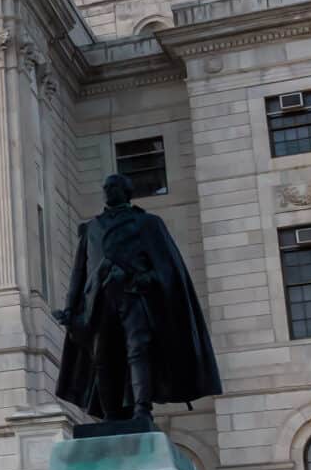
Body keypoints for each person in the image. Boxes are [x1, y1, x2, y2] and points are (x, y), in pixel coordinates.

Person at [53, 174, 222, 430]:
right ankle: (110, 414)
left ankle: (142, 409)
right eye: (106, 187)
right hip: (99, 303)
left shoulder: (148, 223)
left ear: (127, 192)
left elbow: (166, 269)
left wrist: (141, 279)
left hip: (135, 299)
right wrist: (70, 308)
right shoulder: (92, 228)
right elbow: (79, 272)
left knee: (138, 350)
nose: (109, 191)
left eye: (115, 187)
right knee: (102, 357)